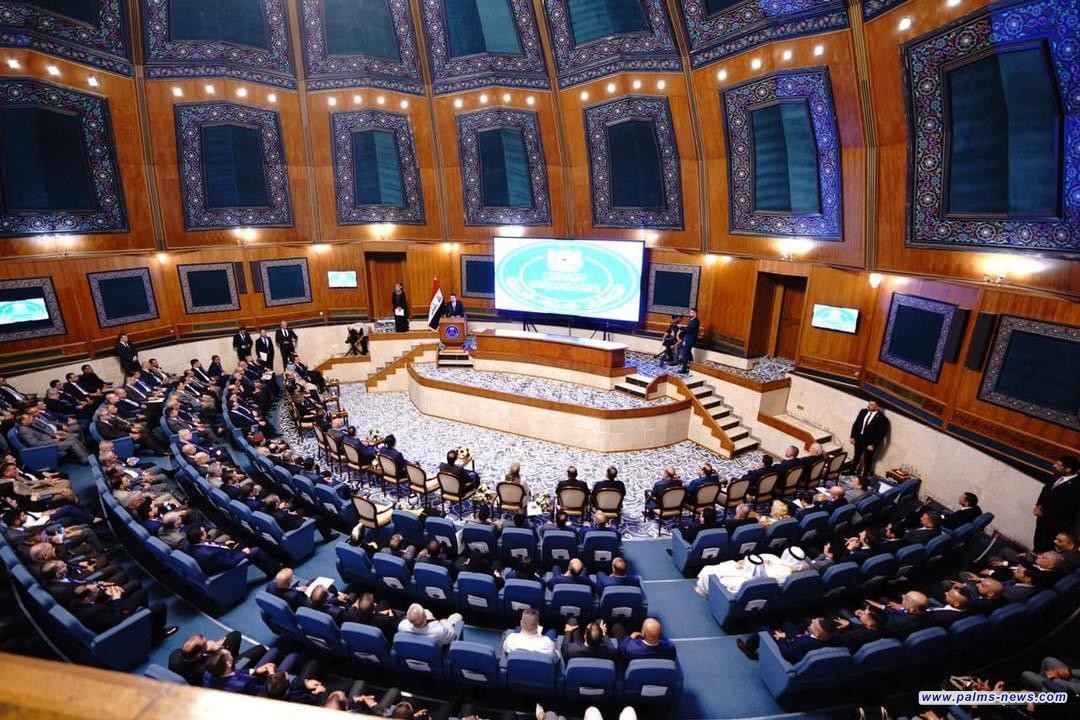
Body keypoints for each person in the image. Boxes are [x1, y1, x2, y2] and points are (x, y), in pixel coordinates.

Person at [1033, 455, 1080, 552]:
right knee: (1037, 542)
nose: (1054, 465)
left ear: (1068, 469)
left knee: (1046, 547)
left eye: (1058, 465)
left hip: (1056, 523)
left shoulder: (1077, 485)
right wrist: (1038, 506)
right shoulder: (1057, 475)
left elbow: (1066, 505)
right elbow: (1045, 491)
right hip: (1042, 518)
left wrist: (1044, 512)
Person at [849, 400, 888, 479]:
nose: (868, 406)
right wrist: (852, 436)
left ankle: (864, 475)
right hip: (859, 438)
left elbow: (881, 434)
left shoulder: (882, 418)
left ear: (877, 407)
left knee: (868, 459)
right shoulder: (863, 412)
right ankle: (852, 471)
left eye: (871, 405)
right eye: (869, 404)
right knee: (856, 455)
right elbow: (856, 424)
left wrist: (873, 444)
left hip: (870, 442)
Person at [397, 602, 461, 646]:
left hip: (419, 653)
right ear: (425, 617)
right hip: (437, 653)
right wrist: (444, 622)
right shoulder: (439, 631)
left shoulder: (402, 626)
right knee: (457, 616)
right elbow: (453, 636)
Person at [679, 308, 699, 374]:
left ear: (695, 313)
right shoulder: (692, 320)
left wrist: (681, 328)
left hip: (690, 340)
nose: (689, 313)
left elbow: (688, 330)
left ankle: (684, 369)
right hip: (688, 339)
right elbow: (688, 329)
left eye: (691, 312)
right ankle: (693, 366)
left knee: (685, 354)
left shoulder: (695, 321)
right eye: (690, 312)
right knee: (688, 353)